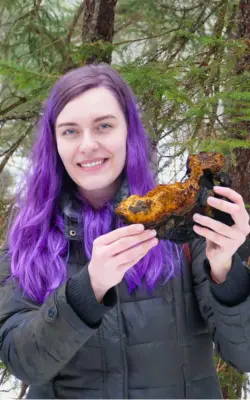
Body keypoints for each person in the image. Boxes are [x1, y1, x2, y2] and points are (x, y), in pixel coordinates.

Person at [0, 63, 250, 400]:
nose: (87, 145)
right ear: (54, 142)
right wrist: (88, 289)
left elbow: (245, 355)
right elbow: (23, 363)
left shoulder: (185, 225)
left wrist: (226, 272)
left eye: (103, 126)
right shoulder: (29, 240)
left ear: (128, 131)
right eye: (70, 131)